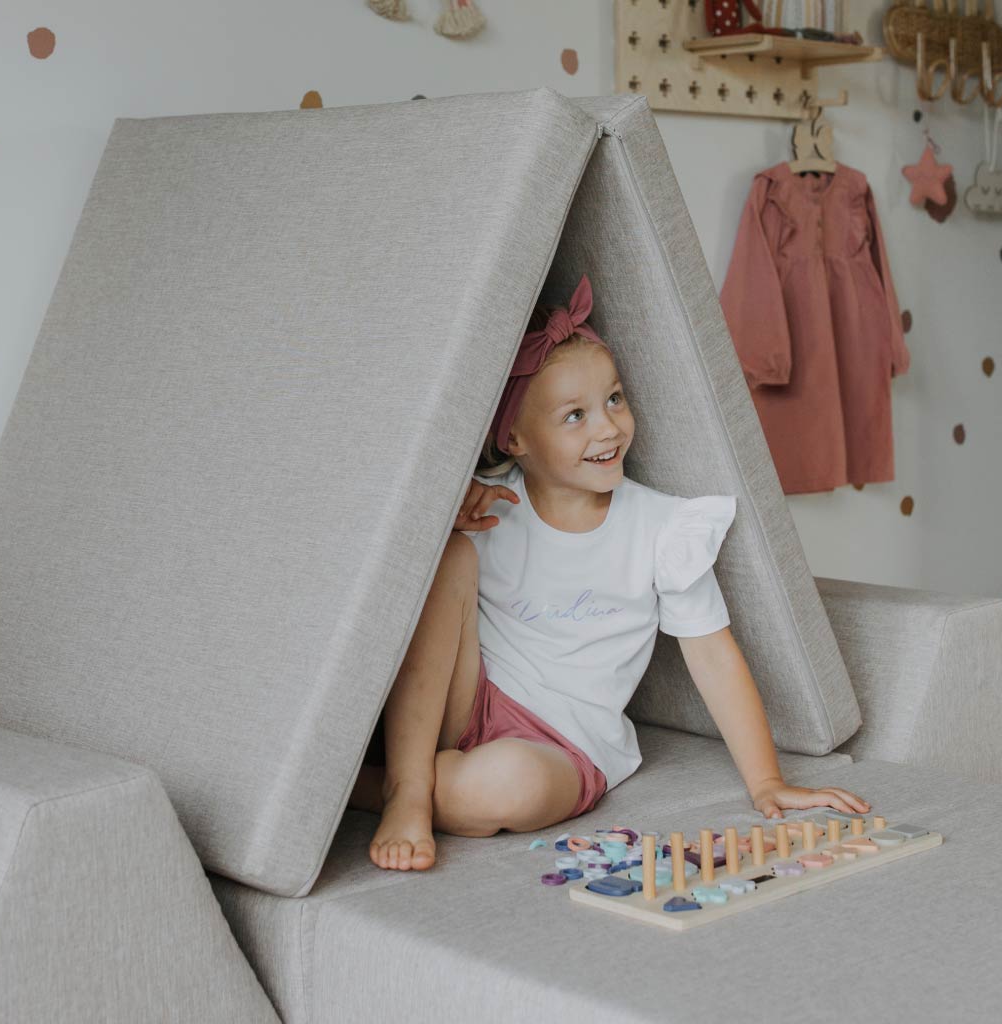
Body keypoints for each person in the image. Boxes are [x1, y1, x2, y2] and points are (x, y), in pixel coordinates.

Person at [348, 274, 870, 871]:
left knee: (506, 785)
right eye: (575, 415)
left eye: (614, 400)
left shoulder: (660, 528)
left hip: (564, 748)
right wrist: (442, 511)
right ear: (514, 437)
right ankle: (410, 788)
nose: (607, 428)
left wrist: (767, 781)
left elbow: (714, 657)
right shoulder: (487, 506)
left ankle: (376, 786)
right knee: (449, 555)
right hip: (465, 705)